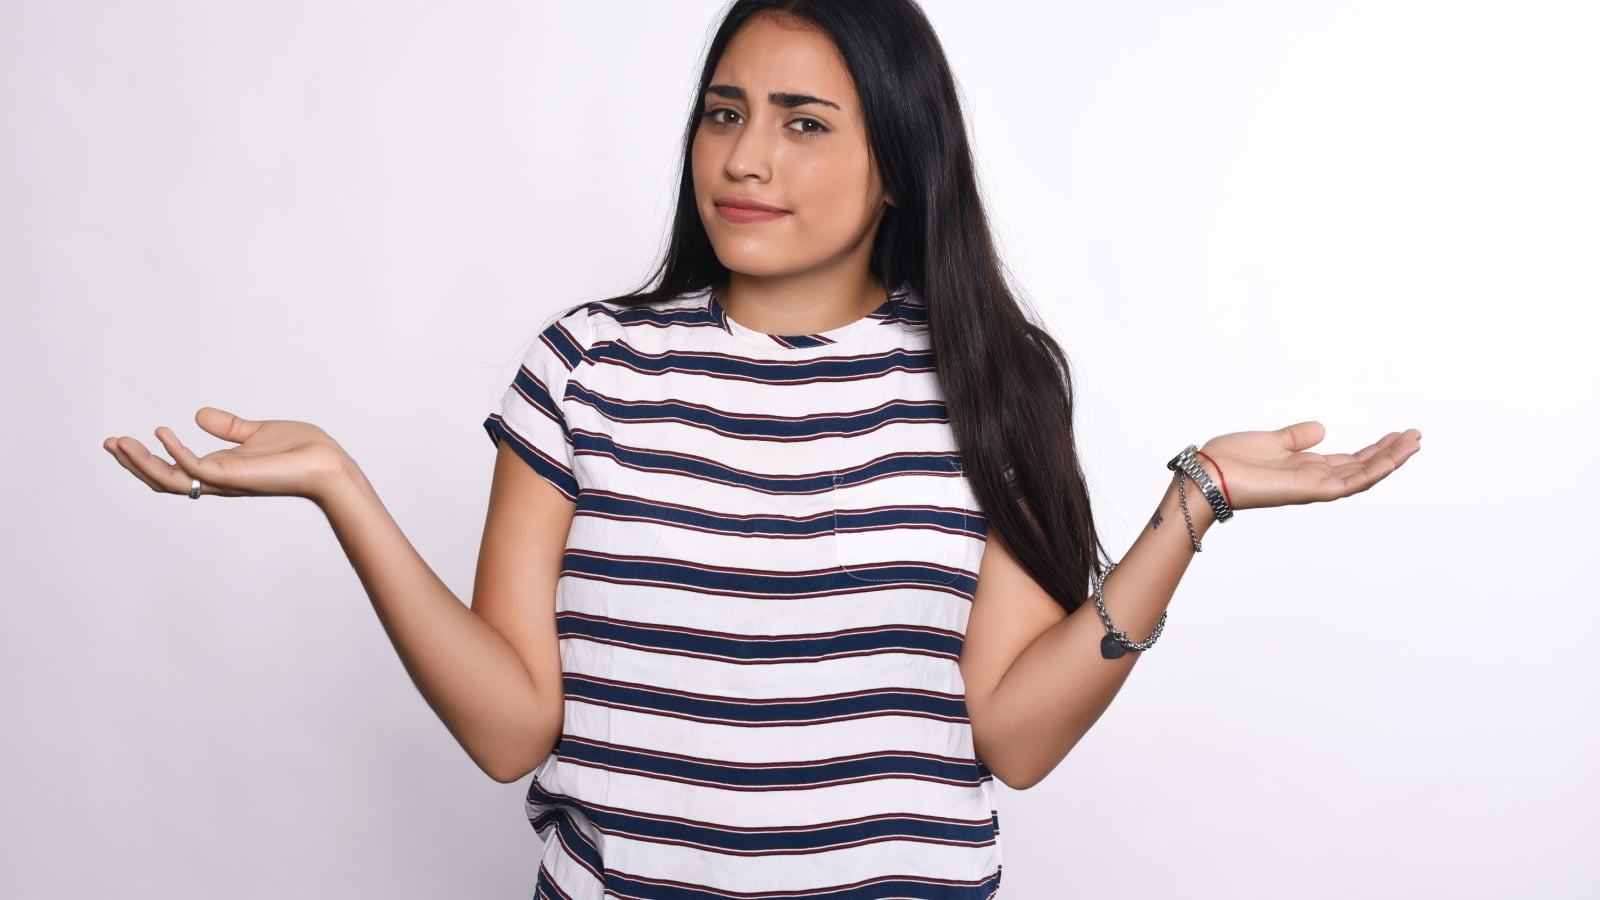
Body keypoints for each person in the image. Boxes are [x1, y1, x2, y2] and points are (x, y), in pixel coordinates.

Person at [103, 0, 1421, 896]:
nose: (746, 160)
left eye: (805, 123)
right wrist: (344, 488)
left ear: (896, 163)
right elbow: (512, 731)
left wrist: (1194, 505)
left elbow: (1012, 736)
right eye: (725, 113)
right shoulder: (587, 366)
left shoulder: (987, 384)